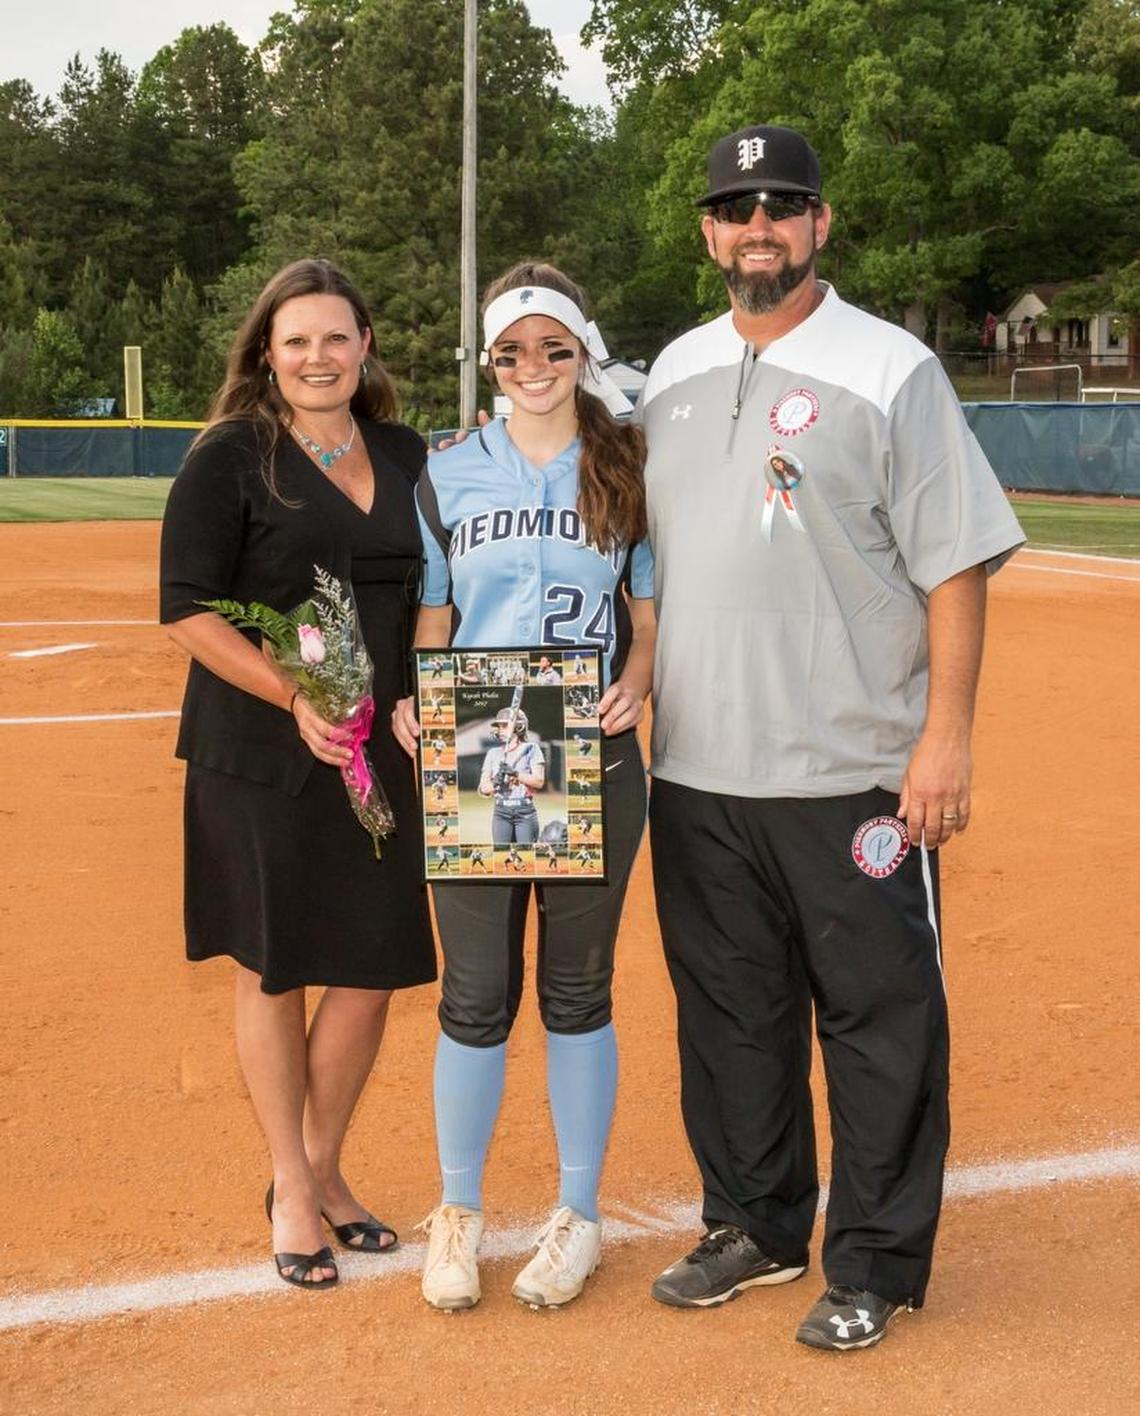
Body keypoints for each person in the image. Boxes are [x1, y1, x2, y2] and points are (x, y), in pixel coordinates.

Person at [640, 126, 1025, 1350]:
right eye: (736, 207)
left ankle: (875, 1261)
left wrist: (944, 739)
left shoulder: (892, 367)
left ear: (820, 223)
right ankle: (755, 1224)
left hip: (851, 770)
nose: (758, 225)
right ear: (710, 232)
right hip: (695, 768)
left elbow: (955, 563)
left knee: (879, 1020)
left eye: (782, 203)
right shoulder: (672, 373)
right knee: (730, 1017)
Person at [159, 257, 436, 1292]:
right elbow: (187, 607)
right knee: (274, 966)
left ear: (365, 347)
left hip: (385, 747)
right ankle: (290, 1181)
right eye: (297, 341)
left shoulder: (407, 452)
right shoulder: (232, 455)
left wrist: (426, 693)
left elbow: (436, 592)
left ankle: (321, 1165)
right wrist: (293, 697)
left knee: (370, 967)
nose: (318, 357)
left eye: (335, 338)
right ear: (268, 356)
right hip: (264, 749)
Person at [392, 261, 656, 1310]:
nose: (533, 366)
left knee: (578, 990)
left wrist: (641, 675)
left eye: (554, 348)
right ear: (490, 360)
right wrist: (422, 699)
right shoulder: (448, 472)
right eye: (512, 351)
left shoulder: (627, 464)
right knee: (474, 994)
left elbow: (647, 611)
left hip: (589, 739)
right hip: (483, 735)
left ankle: (577, 1214)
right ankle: (458, 1213)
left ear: (583, 352)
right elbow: (436, 612)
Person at [477, 706, 545, 843]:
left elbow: (539, 782)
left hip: (524, 811)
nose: (500, 730)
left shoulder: (531, 748)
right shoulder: (493, 753)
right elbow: (482, 789)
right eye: (499, 726)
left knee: (526, 853)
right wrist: (495, 782)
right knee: (502, 853)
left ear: (518, 726)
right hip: (501, 812)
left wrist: (515, 773)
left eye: (504, 726)